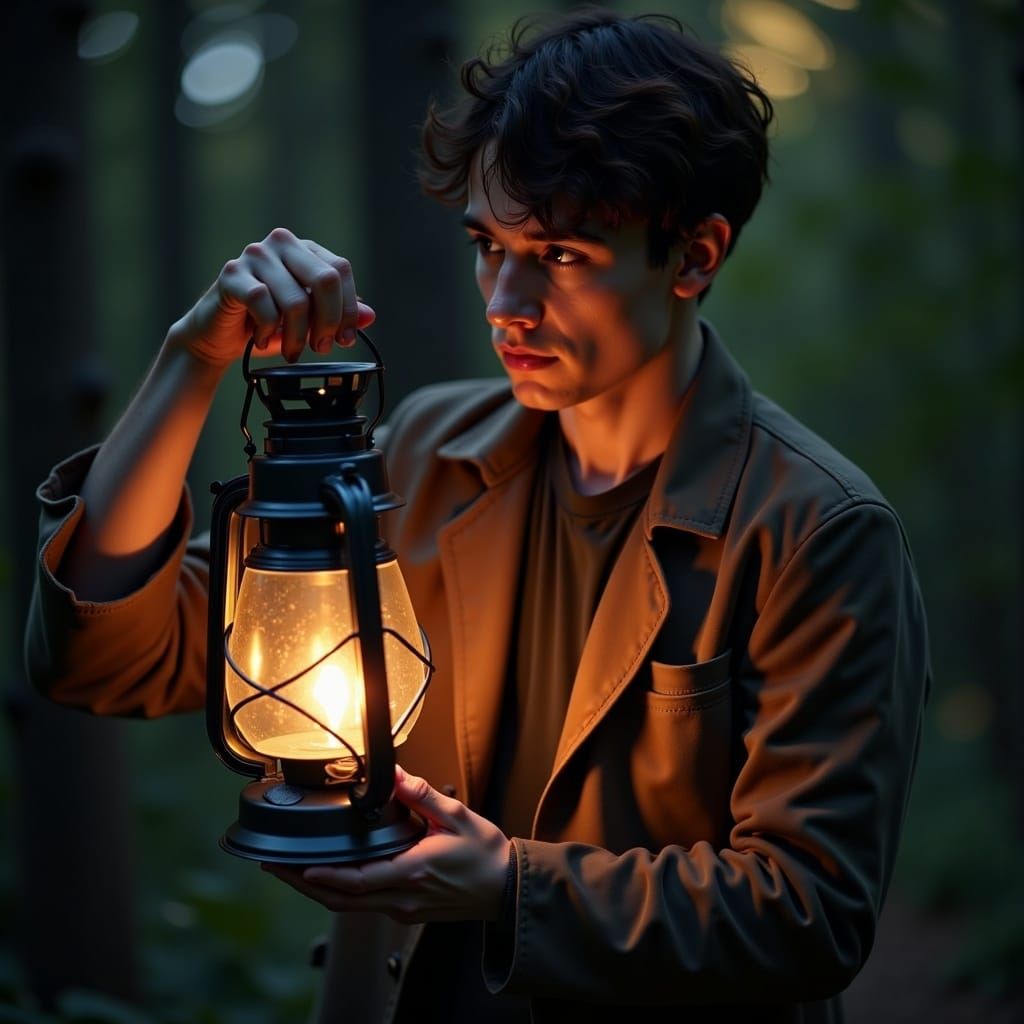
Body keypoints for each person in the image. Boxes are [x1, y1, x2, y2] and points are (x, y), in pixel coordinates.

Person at [26, 9, 931, 1023]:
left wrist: (510, 884)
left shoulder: (816, 525)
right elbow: (106, 654)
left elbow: (813, 912)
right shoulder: (426, 450)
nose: (506, 299)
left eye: (560, 254)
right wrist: (192, 360)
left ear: (692, 255)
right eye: (486, 245)